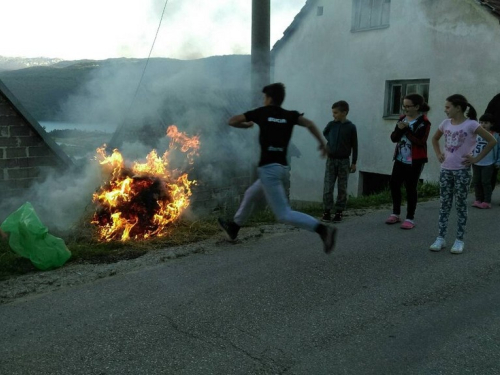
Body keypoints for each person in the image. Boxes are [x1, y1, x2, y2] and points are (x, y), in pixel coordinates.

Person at [218, 83, 337, 254]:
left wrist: (248, 125)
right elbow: (310, 124)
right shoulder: (288, 115)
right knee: (251, 193)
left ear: (269, 98)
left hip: (268, 170)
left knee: (284, 214)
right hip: (280, 167)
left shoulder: (260, 112)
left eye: (264, 97)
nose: (263, 100)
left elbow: (232, 121)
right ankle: (234, 227)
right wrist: (322, 144)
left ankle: (323, 229)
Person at [430, 94, 497, 254]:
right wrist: (439, 153)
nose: (445, 110)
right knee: (444, 204)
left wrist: (476, 158)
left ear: (458, 108)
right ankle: (441, 237)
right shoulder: (445, 123)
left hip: (462, 171)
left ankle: (459, 239)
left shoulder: (471, 124)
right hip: (446, 169)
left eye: (448, 107)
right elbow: (434, 139)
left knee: (460, 205)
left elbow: (492, 141)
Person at [385, 94, 431, 229]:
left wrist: (406, 129)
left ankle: (410, 218)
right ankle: (395, 213)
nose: (405, 109)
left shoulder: (424, 122)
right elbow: (394, 138)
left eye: (408, 106)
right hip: (400, 158)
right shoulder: (402, 118)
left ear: (417, 107)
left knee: (410, 188)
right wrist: (399, 130)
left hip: (415, 160)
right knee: (394, 184)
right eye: (403, 106)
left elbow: (420, 141)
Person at [321, 100, 358, 223]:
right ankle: (326, 211)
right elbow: (325, 132)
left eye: (336, 113)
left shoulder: (351, 127)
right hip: (331, 160)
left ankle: (339, 211)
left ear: (344, 112)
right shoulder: (331, 125)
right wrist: (330, 143)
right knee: (328, 187)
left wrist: (354, 162)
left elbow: (355, 145)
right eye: (333, 112)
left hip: (343, 161)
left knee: (342, 187)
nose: (333, 115)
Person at [471, 113, 500, 209]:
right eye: (481, 122)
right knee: (476, 181)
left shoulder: (495, 136)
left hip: (489, 163)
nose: (483, 125)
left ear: (491, 124)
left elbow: (499, 149)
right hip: (476, 162)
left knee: (485, 182)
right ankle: (478, 199)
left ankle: (487, 201)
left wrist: (498, 161)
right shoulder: (476, 133)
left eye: (486, 123)